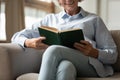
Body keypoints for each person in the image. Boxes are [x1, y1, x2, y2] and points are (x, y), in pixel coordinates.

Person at [11, 0, 118, 80]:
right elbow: (16, 36)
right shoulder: (50, 19)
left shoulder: (94, 20)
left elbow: (113, 55)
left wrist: (94, 52)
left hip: (89, 64)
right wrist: (28, 42)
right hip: (66, 62)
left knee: (54, 50)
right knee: (66, 67)